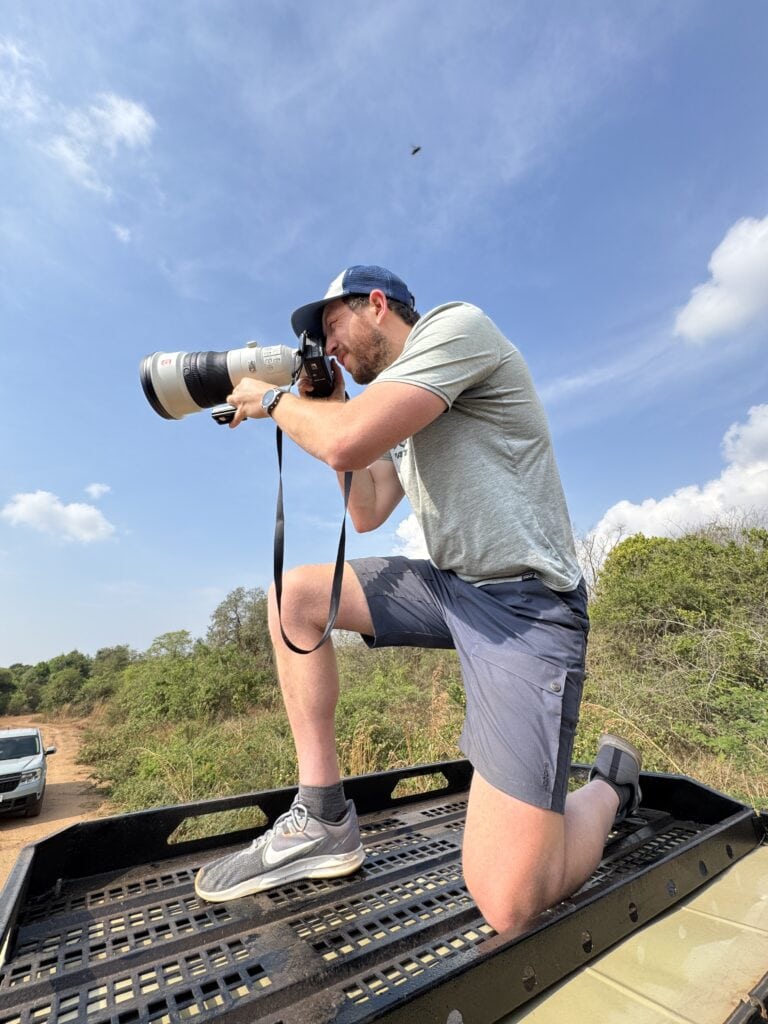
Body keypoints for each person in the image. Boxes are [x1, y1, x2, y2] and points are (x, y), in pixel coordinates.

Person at [194, 265, 642, 933]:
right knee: (294, 596)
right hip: (450, 587)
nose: (327, 344)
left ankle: (611, 785)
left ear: (377, 304)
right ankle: (321, 817)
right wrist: (336, 405)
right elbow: (369, 505)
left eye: (331, 325)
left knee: (508, 899)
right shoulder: (401, 409)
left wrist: (277, 403)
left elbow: (347, 440)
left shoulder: (456, 329)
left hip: (526, 609)